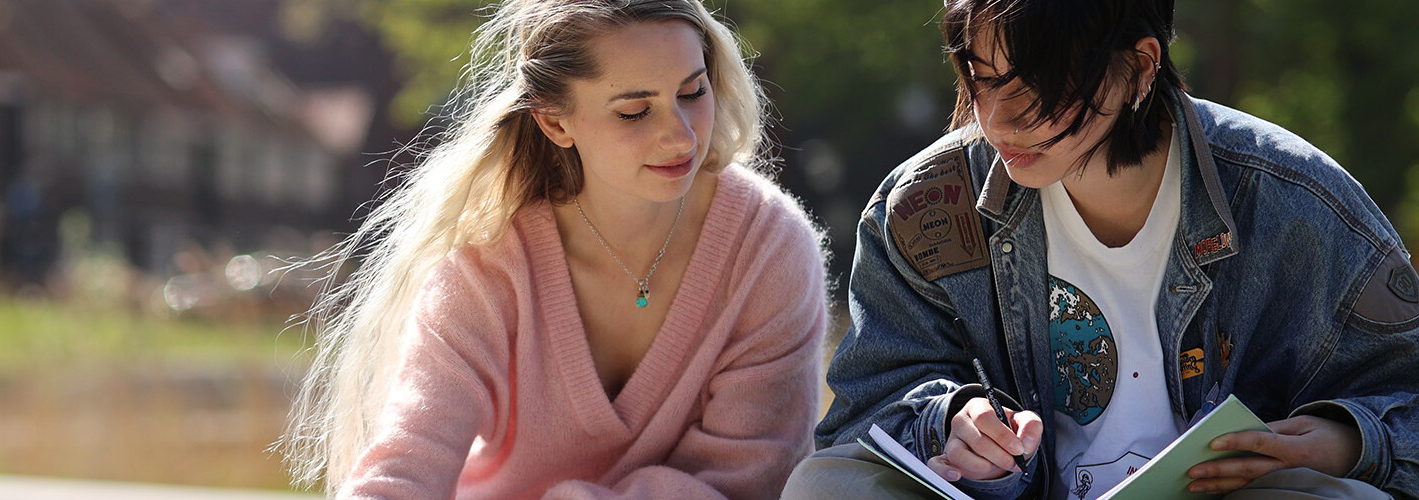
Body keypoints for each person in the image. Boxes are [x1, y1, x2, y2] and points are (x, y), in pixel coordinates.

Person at [786, 0, 1417, 499]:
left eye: (1034, 88)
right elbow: (861, 414)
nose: (999, 119)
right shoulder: (927, 208)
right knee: (827, 487)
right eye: (982, 79)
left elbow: (1405, 398)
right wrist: (948, 421)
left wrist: (1348, 442)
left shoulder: (1298, 203)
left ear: (1140, 66)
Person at [278, 0, 828, 498]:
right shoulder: (488, 268)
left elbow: (749, 483)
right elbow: (404, 469)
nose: (682, 136)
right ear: (554, 121)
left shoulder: (769, 249)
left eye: (692, 92)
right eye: (635, 111)